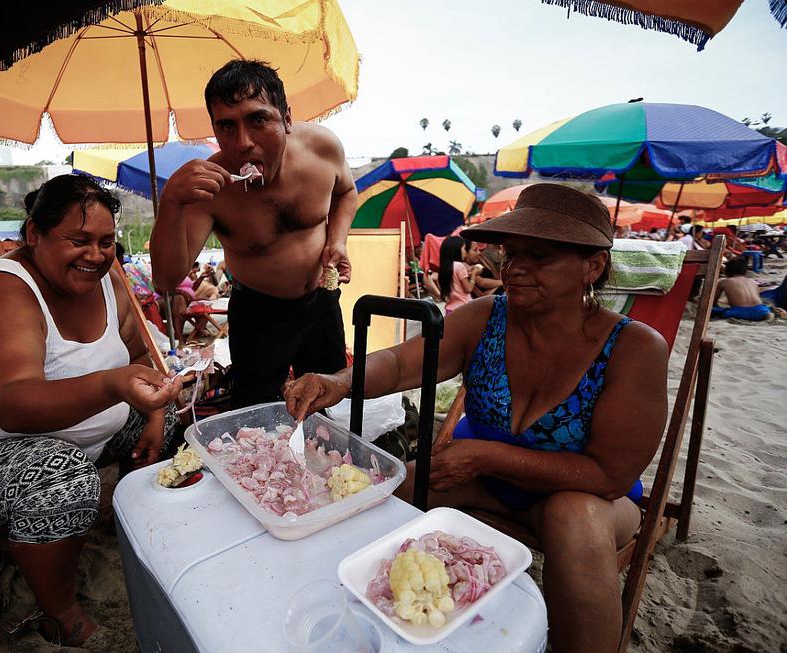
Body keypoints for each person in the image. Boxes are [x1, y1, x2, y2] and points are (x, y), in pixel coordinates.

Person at [284, 184, 669, 653]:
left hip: (586, 498)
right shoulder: (487, 316)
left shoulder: (634, 348)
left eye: (539, 256)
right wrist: (339, 381)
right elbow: (404, 363)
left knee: (575, 519)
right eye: (511, 253)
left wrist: (486, 456)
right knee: (383, 490)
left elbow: (610, 475)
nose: (515, 268)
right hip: (482, 482)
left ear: (593, 265)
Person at [0, 175, 184, 647]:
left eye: (106, 242)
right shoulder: (1, 292)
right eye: (79, 240)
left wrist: (154, 414)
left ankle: (112, 524)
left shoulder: (108, 281)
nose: (95, 255)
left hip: (72, 441)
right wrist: (112, 384)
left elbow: (139, 355)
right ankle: (60, 611)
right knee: (63, 479)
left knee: (171, 426)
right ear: (34, 234)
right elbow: (13, 405)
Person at [151, 59, 357, 408]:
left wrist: (337, 241)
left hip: (322, 301)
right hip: (258, 312)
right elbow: (166, 279)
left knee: (327, 399)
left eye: (258, 120)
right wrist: (171, 201)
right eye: (227, 126)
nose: (243, 142)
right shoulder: (210, 189)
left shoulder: (322, 148)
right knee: (254, 409)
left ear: (287, 118)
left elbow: (346, 192)